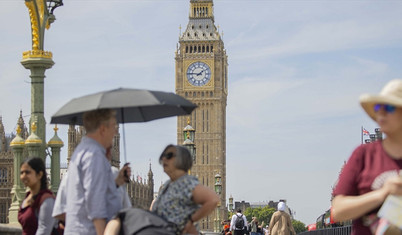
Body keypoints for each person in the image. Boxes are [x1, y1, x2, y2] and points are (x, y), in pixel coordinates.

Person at [332, 79, 402, 235]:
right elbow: (338, 210)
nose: (381, 113)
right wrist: (383, 193)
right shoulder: (363, 154)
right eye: (378, 107)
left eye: (389, 107)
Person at [104, 144, 219, 235]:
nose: (164, 159)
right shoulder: (169, 184)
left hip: (170, 231)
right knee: (121, 216)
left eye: (169, 156)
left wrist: (190, 220)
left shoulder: (186, 182)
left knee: (123, 215)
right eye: (162, 156)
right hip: (160, 229)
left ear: (182, 160)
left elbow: (212, 199)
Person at [64, 109, 129, 235]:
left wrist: (116, 183)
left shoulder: (82, 151)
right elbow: (96, 208)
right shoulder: (94, 155)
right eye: (113, 127)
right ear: (103, 129)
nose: (115, 132)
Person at [18, 157, 56, 235]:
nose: (23, 176)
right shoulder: (28, 197)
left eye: (27, 172)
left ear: (39, 174)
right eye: (21, 173)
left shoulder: (46, 200)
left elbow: (44, 231)